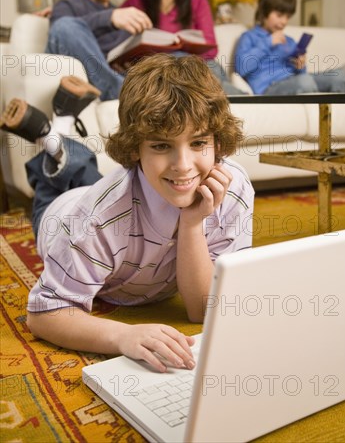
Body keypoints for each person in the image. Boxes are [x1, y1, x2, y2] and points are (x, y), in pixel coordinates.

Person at [0, 54, 254, 372]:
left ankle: (59, 131)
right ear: (135, 148)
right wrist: (123, 336)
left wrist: (192, 224)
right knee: (49, 184)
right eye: (161, 146)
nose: (184, 165)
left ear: (217, 140)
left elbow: (203, 309)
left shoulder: (234, 188)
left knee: (82, 171)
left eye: (199, 142)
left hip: (124, 195)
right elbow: (44, 314)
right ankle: (53, 136)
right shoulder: (95, 220)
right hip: (61, 218)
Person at [46, 0, 153, 100]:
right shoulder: (66, 7)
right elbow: (60, 34)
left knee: (178, 56)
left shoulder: (121, 16)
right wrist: (109, 18)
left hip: (117, 76)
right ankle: (119, 92)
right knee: (64, 27)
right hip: (84, 79)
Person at [234, 0, 345, 95]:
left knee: (340, 76)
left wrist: (300, 66)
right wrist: (268, 42)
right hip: (270, 88)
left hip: (295, 81)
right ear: (264, 11)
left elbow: (301, 74)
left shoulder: (288, 41)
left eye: (287, 17)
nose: (284, 21)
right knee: (305, 82)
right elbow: (241, 68)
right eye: (279, 15)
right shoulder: (249, 37)